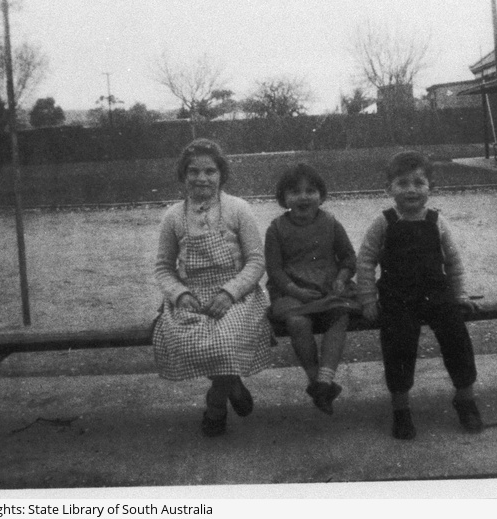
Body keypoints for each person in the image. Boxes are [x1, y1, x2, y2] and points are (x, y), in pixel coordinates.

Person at [356, 151, 483, 440]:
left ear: (430, 187)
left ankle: (465, 398)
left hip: (436, 294)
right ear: (389, 189)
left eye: (418, 182)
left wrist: (460, 295)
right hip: (397, 296)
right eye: (402, 183)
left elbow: (454, 262)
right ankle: (401, 408)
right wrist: (368, 299)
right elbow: (365, 262)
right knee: (398, 345)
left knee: (456, 338)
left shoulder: (437, 221)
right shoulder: (383, 222)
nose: (411, 190)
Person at [152, 138, 275, 437]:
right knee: (187, 341)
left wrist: (230, 292)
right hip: (192, 296)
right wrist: (180, 294)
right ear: (183, 175)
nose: (202, 178)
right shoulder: (173, 216)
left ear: (222, 174)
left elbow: (256, 261)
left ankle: (216, 404)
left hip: (237, 295)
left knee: (227, 340)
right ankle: (232, 384)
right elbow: (163, 268)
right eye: (193, 171)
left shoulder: (238, 209)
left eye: (210, 171)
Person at [265, 163, 359, 415]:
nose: (303, 197)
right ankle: (315, 378)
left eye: (311, 191)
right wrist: (296, 291)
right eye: (295, 192)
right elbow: (274, 269)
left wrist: (341, 278)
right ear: (284, 198)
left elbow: (349, 257)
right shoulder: (276, 228)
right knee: (297, 322)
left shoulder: (330, 223)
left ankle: (325, 381)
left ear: (321, 195)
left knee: (339, 316)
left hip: (327, 288)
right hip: (291, 290)